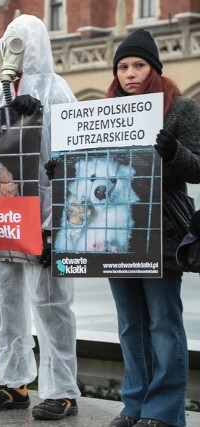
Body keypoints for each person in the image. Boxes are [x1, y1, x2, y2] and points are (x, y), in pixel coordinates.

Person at [0, 14, 80, 420]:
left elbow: (73, 156)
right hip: (1, 217)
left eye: (21, 41)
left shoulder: (58, 91)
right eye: (8, 41)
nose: (13, 49)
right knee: (3, 301)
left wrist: (39, 118)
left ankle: (61, 390)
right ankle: (12, 381)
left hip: (45, 217)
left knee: (50, 303)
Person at [105, 29, 200, 427]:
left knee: (163, 321)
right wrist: (63, 169)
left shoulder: (182, 110)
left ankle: (162, 412)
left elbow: (197, 167)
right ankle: (134, 407)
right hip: (114, 232)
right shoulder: (104, 112)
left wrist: (173, 152)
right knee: (129, 323)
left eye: (139, 65)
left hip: (161, 231)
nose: (130, 74)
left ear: (155, 69)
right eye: (123, 67)